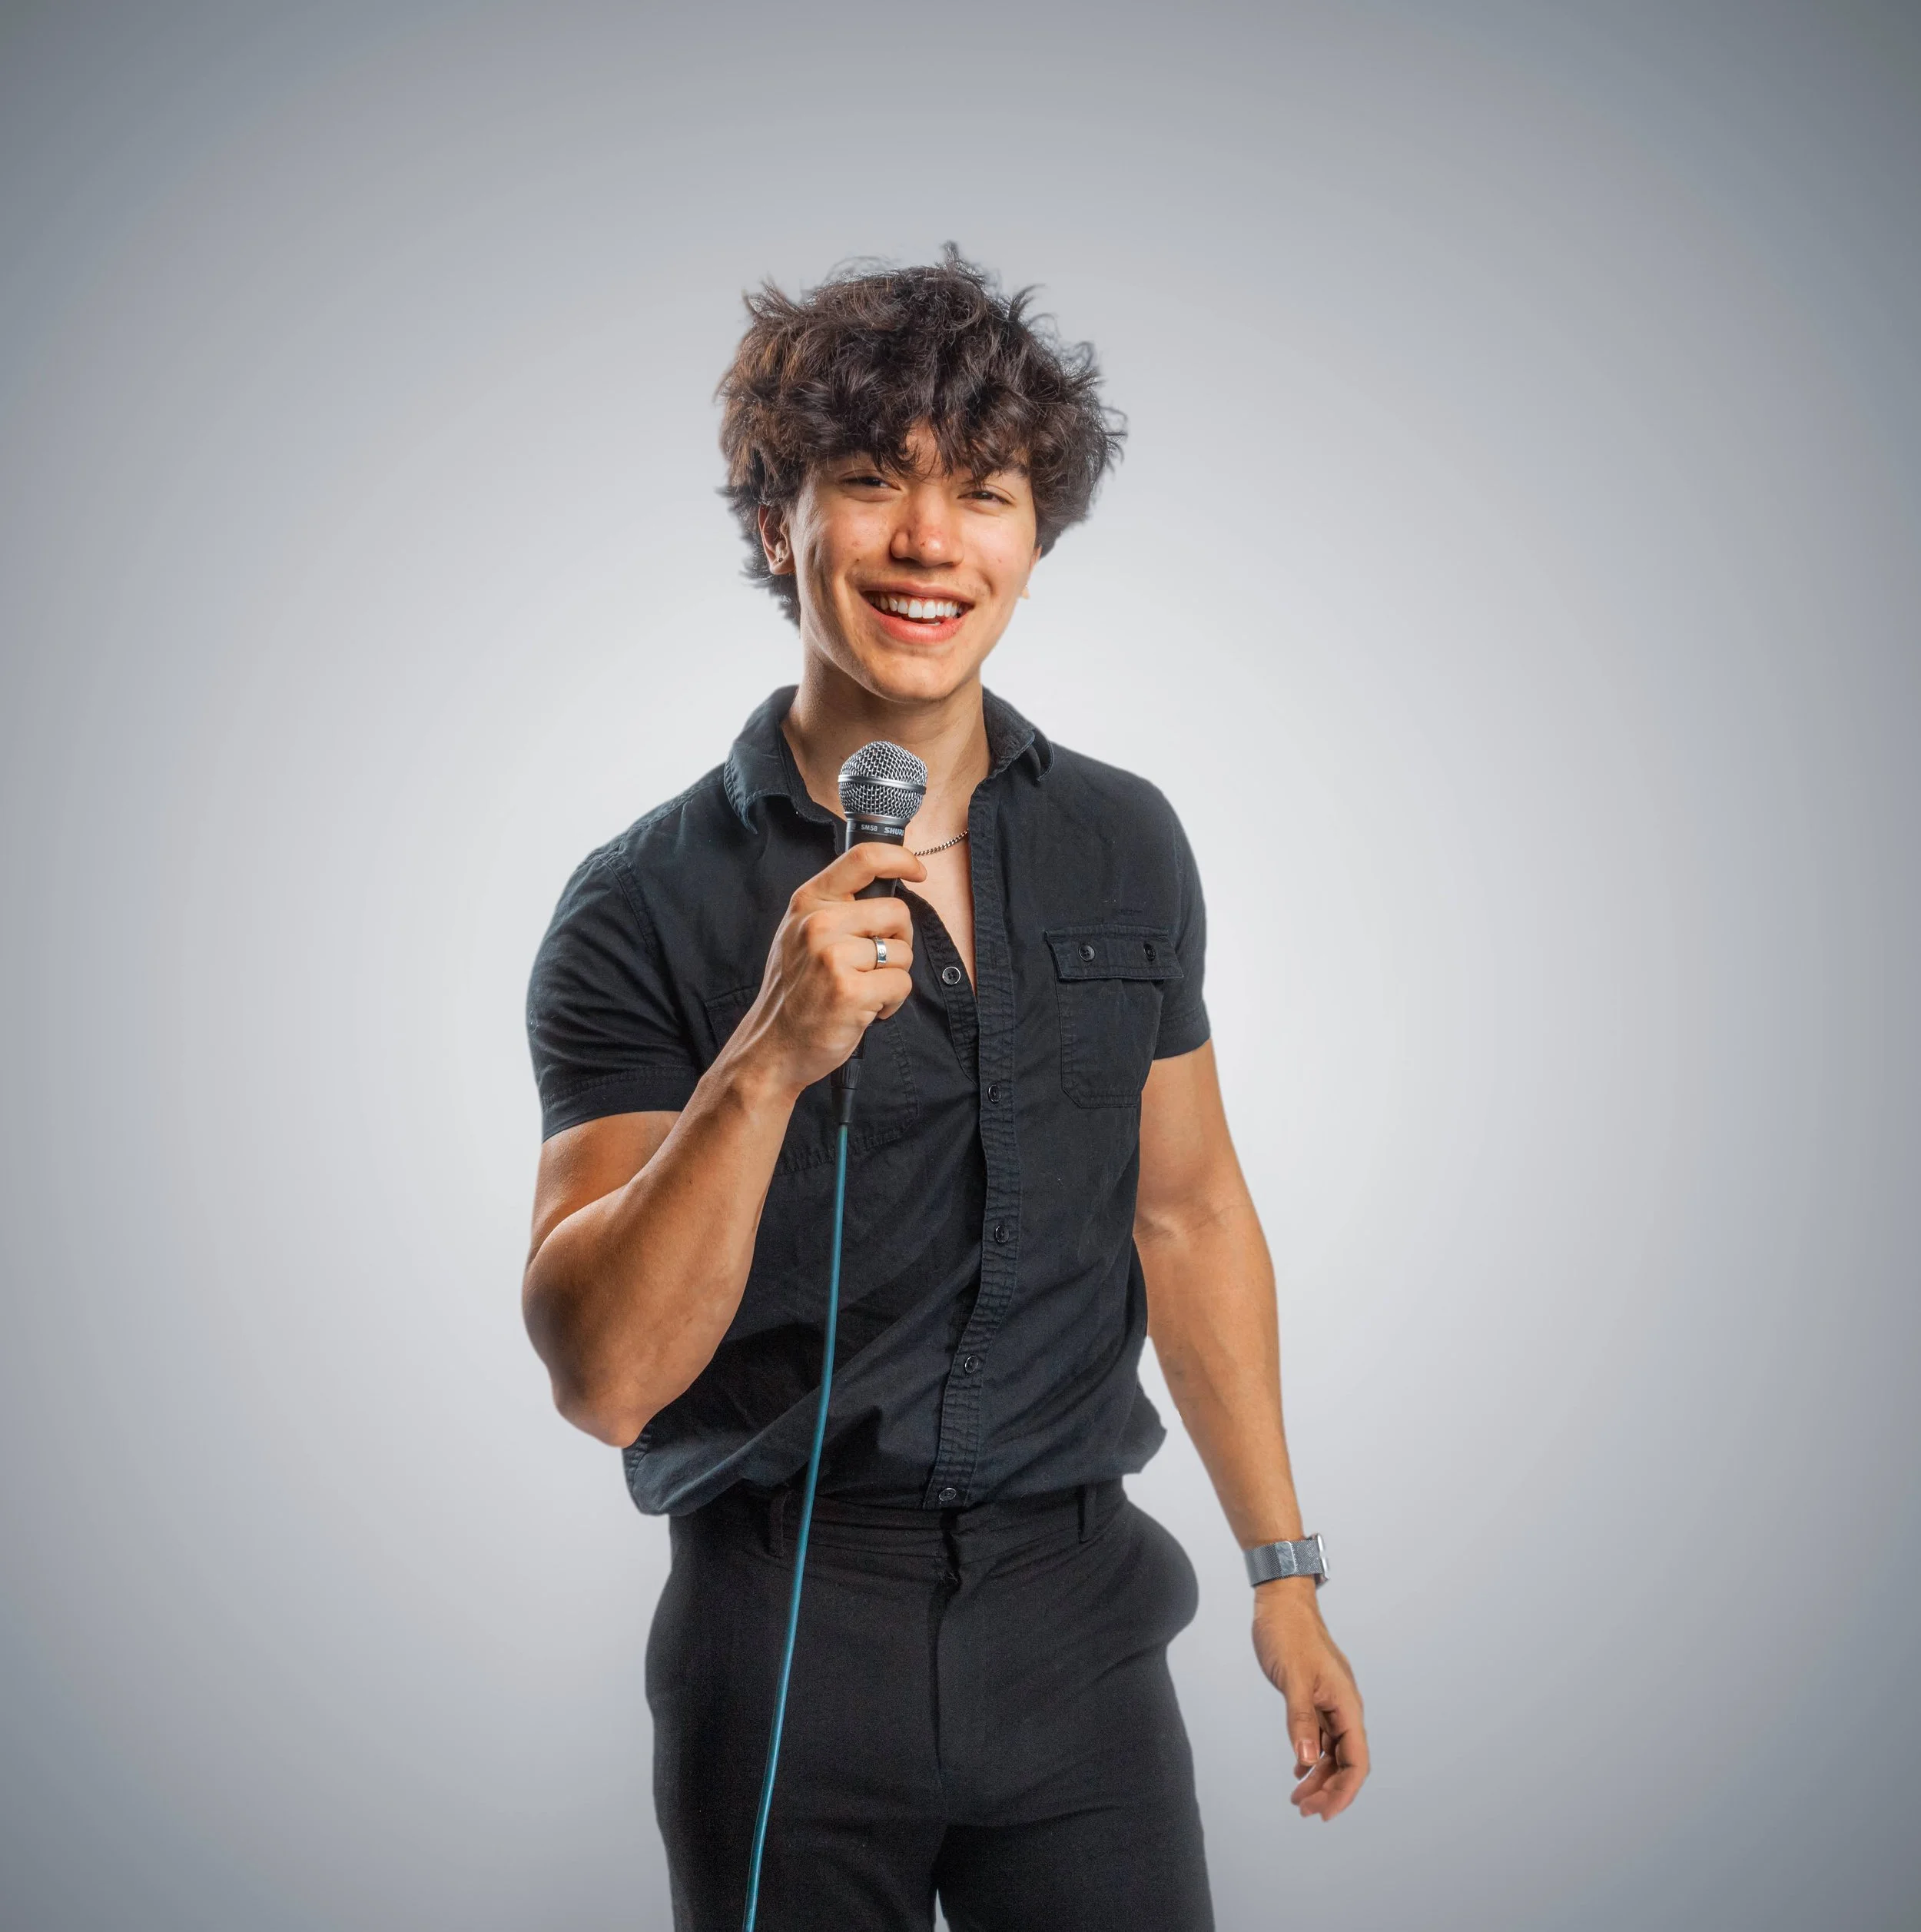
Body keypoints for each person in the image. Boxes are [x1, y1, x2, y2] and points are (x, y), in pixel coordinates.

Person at [522, 249, 1369, 1932]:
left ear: (1033, 541)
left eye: (982, 492)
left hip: (1081, 1618)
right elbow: (604, 1377)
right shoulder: (640, 904)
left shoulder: (1124, 839)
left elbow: (1188, 1214)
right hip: (787, 1619)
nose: (930, 541)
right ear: (777, 523)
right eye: (868, 482)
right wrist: (766, 1057)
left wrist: (1283, 1575)